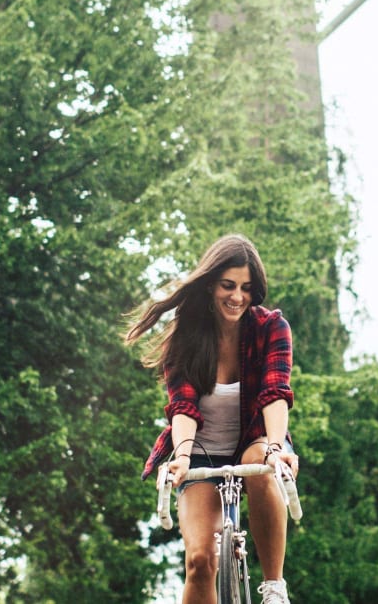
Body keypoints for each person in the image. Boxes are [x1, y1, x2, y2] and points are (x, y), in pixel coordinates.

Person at [128, 234, 299, 604]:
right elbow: (183, 406)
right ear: (210, 285)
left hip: (256, 439)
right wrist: (183, 459)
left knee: (260, 461)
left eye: (246, 288)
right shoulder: (186, 337)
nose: (237, 296)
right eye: (228, 286)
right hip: (201, 453)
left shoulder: (272, 329)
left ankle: (273, 587)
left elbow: (275, 392)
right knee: (201, 560)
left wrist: (275, 447)